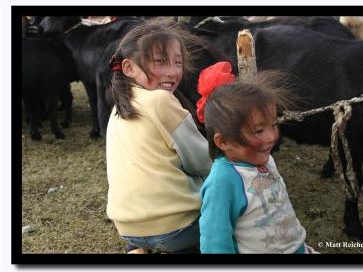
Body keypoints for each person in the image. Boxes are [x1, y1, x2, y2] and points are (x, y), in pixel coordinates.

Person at [106, 19, 212, 254]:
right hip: (176, 227)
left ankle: (140, 248)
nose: (173, 72)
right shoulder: (161, 100)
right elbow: (204, 161)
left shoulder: (119, 108)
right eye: (160, 61)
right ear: (128, 68)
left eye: (177, 62)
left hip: (127, 225)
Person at [198, 62, 315, 254]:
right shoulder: (223, 181)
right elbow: (214, 242)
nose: (271, 137)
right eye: (258, 131)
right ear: (223, 141)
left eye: (274, 125)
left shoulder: (265, 159)